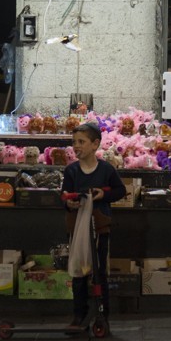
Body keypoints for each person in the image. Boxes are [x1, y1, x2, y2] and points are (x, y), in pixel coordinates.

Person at [61, 123, 126, 329]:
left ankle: (102, 314)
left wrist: (103, 194)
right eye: (74, 143)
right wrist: (68, 203)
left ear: (95, 144)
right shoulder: (71, 171)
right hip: (77, 227)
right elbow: (64, 195)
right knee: (79, 273)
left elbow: (120, 191)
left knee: (99, 272)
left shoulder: (106, 169)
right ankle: (79, 314)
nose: (76, 147)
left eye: (81, 142)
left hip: (100, 228)